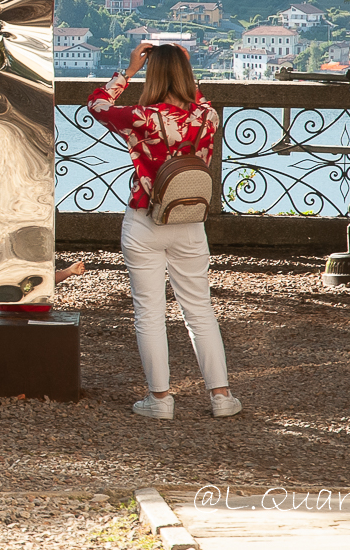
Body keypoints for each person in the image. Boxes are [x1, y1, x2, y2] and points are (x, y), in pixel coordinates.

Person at [89, 42, 241, 419]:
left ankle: (160, 400)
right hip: (189, 222)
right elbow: (197, 100)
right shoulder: (208, 116)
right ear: (187, 75)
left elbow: (96, 105)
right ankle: (221, 398)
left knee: (150, 313)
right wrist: (187, 72)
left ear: (151, 76)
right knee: (200, 310)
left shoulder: (141, 117)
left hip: (145, 220)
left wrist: (127, 71)